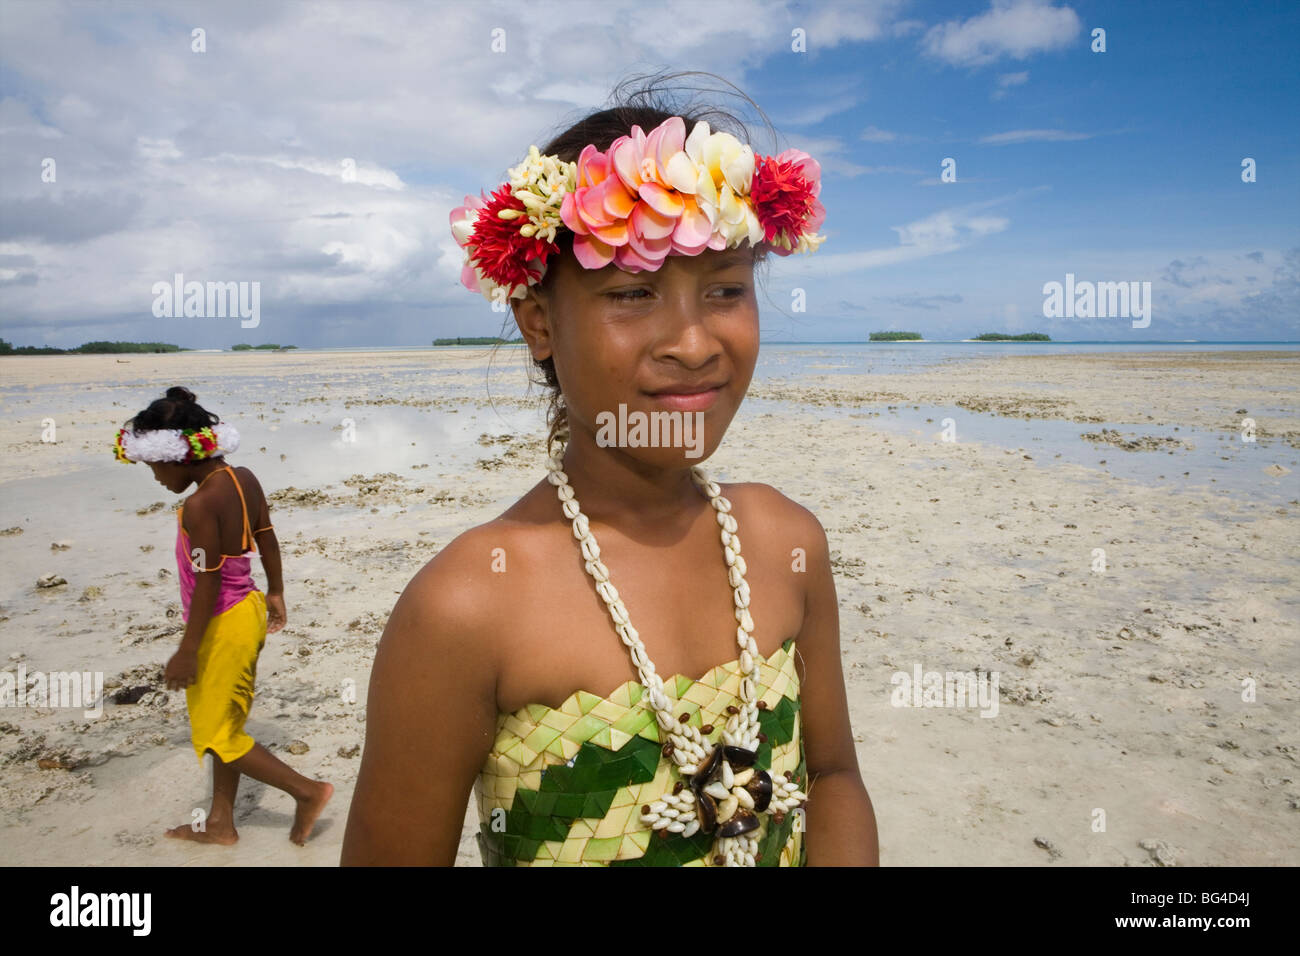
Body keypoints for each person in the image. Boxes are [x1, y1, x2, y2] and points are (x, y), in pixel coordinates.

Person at [342, 73, 878, 866]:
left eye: (726, 289)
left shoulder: (786, 543)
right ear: (538, 324)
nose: (692, 343)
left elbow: (831, 774)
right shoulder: (465, 606)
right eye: (632, 293)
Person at [114, 386, 332, 846]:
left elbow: (208, 580)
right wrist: (276, 590)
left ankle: (308, 792)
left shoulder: (198, 504)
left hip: (222, 623)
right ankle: (220, 823)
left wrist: (187, 650)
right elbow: (267, 534)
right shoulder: (243, 479)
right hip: (248, 608)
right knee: (226, 726)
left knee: (215, 734)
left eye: (153, 466)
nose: (154, 477)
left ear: (177, 457)